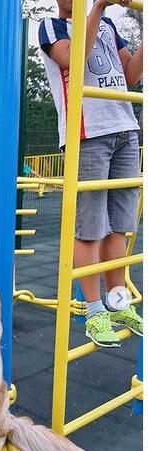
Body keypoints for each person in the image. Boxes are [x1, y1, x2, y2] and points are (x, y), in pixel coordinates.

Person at [39, 0, 143, 347]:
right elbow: (74, 60)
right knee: (90, 227)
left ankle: (117, 301)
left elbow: (131, 76)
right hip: (88, 133)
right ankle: (94, 310)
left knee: (120, 224)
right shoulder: (52, 28)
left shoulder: (111, 29)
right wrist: (97, 7)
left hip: (126, 128)